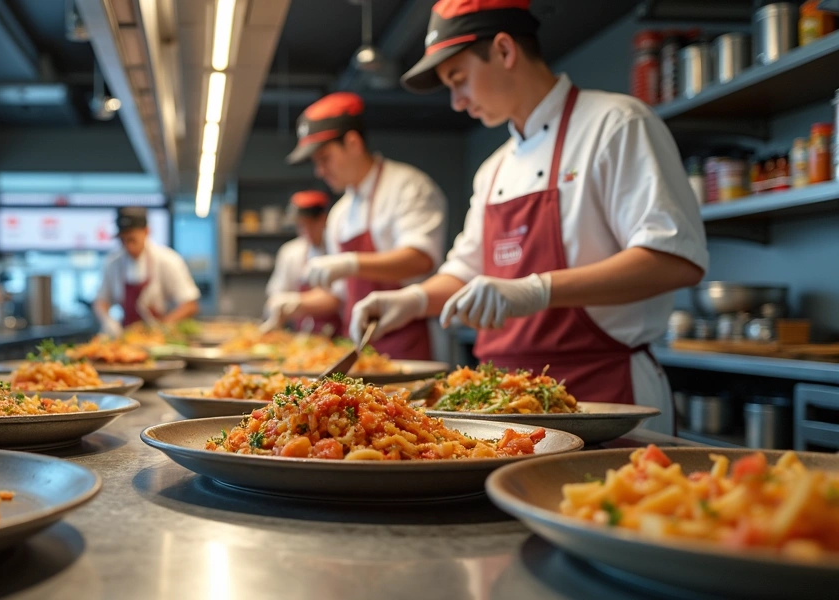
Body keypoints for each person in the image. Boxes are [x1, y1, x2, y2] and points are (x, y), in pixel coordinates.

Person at [350, 0, 708, 431]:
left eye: (459, 79)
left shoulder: (615, 124)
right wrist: (412, 301)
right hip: (497, 404)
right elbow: (465, 272)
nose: (457, 102)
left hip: (603, 397)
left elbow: (675, 259)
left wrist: (537, 290)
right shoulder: (494, 168)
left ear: (504, 50)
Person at [274, 92, 448, 360]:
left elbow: (420, 259)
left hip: (406, 346)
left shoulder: (407, 187)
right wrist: (296, 304)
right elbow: (339, 296)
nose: (319, 171)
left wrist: (352, 263)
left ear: (353, 143)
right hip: (356, 350)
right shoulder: (340, 213)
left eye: (324, 158)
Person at [93, 206, 200, 336]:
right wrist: (108, 321)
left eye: (132, 239)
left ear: (146, 232)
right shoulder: (113, 263)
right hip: (125, 335)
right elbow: (101, 300)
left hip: (158, 336)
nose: (128, 246)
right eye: (123, 240)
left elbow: (190, 305)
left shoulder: (168, 260)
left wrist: (163, 327)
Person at [261, 190, 342, 335]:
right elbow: (275, 295)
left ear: (323, 219)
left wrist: (298, 301)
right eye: (301, 226)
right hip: (303, 337)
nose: (306, 231)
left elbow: (339, 297)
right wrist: (278, 308)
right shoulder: (290, 253)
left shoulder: (337, 249)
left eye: (311, 224)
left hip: (337, 334)